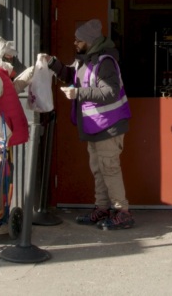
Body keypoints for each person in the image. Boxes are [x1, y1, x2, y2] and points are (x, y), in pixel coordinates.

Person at [44, 18, 134, 230]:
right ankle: (102, 208)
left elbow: (110, 91)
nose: (75, 43)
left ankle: (123, 212)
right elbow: (71, 76)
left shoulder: (106, 62)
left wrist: (78, 93)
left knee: (109, 169)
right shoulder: (84, 60)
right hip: (95, 126)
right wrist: (52, 63)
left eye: (78, 40)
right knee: (98, 170)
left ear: (90, 41)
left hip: (109, 126)